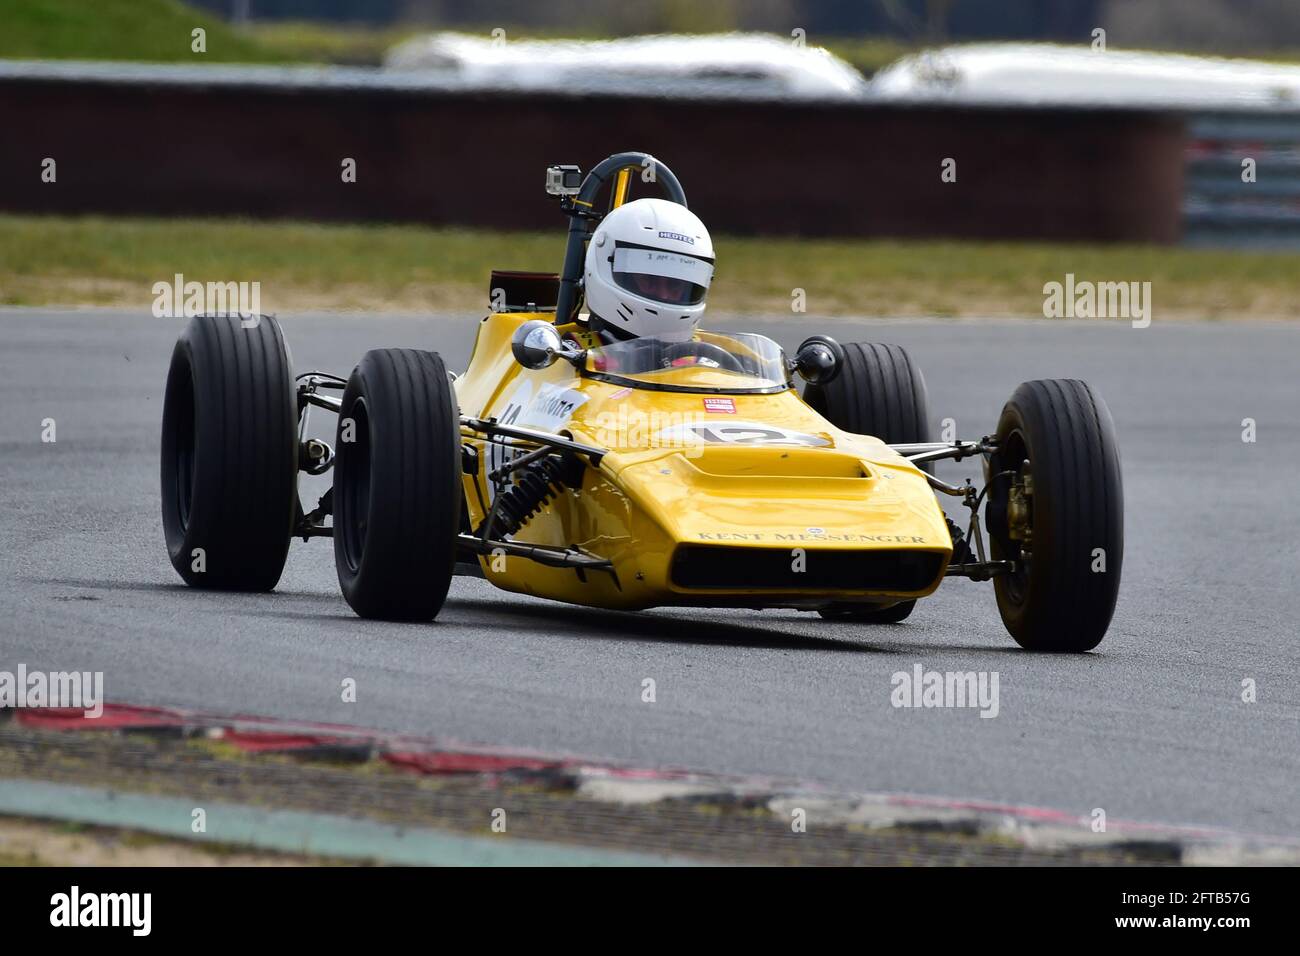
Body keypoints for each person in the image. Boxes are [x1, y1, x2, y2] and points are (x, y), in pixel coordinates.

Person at [581, 197, 714, 345]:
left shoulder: (710, 357)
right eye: (650, 280)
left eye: (675, 285)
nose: (663, 294)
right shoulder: (561, 355)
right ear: (605, 262)